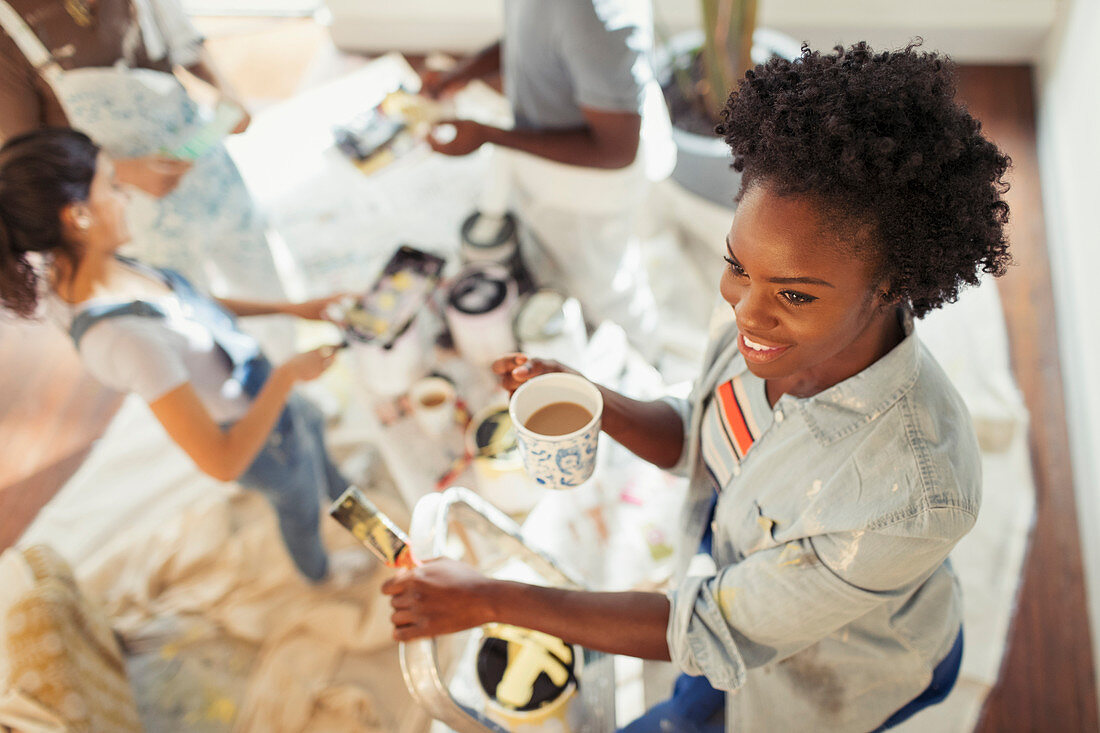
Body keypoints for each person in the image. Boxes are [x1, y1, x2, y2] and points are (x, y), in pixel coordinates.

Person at [383, 42, 1012, 731]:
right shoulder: (764, 323)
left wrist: (489, 599)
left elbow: (710, 627)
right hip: (735, 596)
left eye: (795, 294)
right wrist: (591, 399)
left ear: (890, 286)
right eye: (737, 265)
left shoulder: (912, 496)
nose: (745, 311)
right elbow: (704, 432)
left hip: (825, 676)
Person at [0, 128, 349, 582]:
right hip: (258, 434)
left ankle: (342, 492)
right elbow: (222, 463)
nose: (126, 196)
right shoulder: (127, 340)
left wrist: (291, 309)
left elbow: (191, 306)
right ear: (78, 217)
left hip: (259, 388)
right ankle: (320, 573)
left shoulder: (81, 270)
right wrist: (287, 377)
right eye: (113, 185)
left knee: (313, 430)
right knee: (299, 502)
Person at [420, 0, 674, 349]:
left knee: (606, 287)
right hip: (552, 152)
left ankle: (644, 359)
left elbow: (616, 150)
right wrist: (463, 73)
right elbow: (529, 41)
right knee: (556, 260)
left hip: (593, 178)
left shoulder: (597, 19)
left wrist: (488, 135)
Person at [0, 0, 284, 301]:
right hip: (129, 212)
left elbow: (187, 46)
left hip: (210, 174)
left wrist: (227, 92)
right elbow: (26, 162)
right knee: (189, 307)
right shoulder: (9, 25)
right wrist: (121, 173)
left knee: (267, 292)